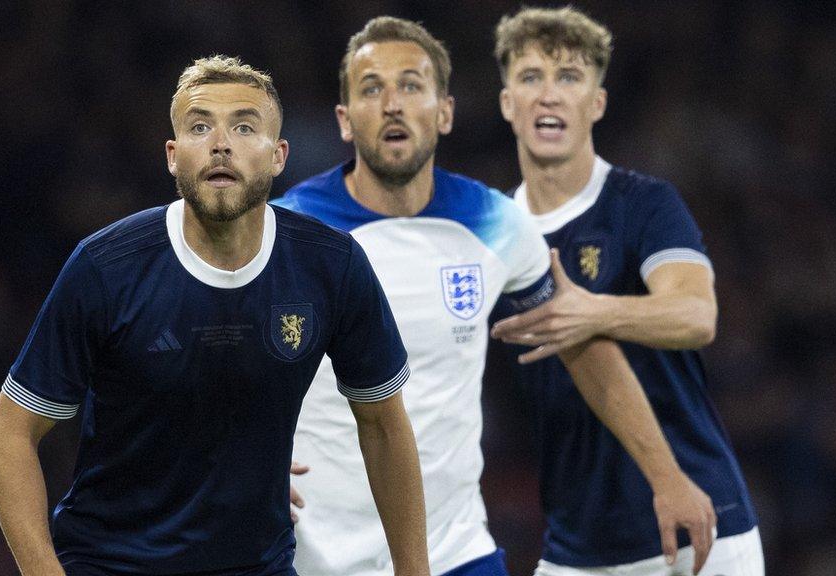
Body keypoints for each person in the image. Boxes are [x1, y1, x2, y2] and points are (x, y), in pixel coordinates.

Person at [274, 17, 714, 576]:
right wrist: (238, 450)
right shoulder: (290, 228)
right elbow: (215, 343)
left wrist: (667, 476)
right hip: (318, 553)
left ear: (445, 112)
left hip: (456, 551)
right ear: (344, 119)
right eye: (371, 88)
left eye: (412, 85)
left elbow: (579, 343)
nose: (392, 104)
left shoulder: (498, 223)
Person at [0, 55, 430, 576]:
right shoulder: (106, 268)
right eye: (200, 127)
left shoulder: (331, 266)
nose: (221, 143)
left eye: (244, 126)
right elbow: (8, 436)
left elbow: (384, 425)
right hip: (110, 564)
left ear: (279, 155)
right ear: (173, 156)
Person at [489, 7, 763, 576]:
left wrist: (593, 311)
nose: (550, 95)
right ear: (508, 104)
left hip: (697, 522)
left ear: (597, 104)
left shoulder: (645, 205)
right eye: (531, 77)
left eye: (569, 78)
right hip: (575, 546)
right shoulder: (489, 233)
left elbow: (696, 315)